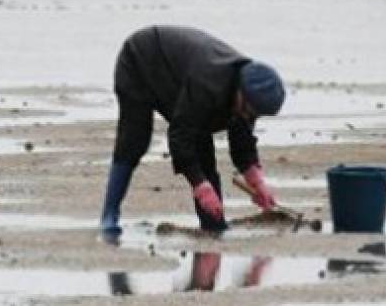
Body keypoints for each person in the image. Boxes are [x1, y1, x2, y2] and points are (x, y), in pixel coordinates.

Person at [100, 25, 286, 238]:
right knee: (135, 140)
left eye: (255, 115)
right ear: (241, 93)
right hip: (140, 60)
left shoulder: (244, 94)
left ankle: (213, 226)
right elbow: (180, 136)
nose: (250, 117)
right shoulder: (207, 84)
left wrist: (257, 182)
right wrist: (200, 186)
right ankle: (109, 215)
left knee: (203, 150)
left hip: (181, 76)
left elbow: (241, 139)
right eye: (249, 111)